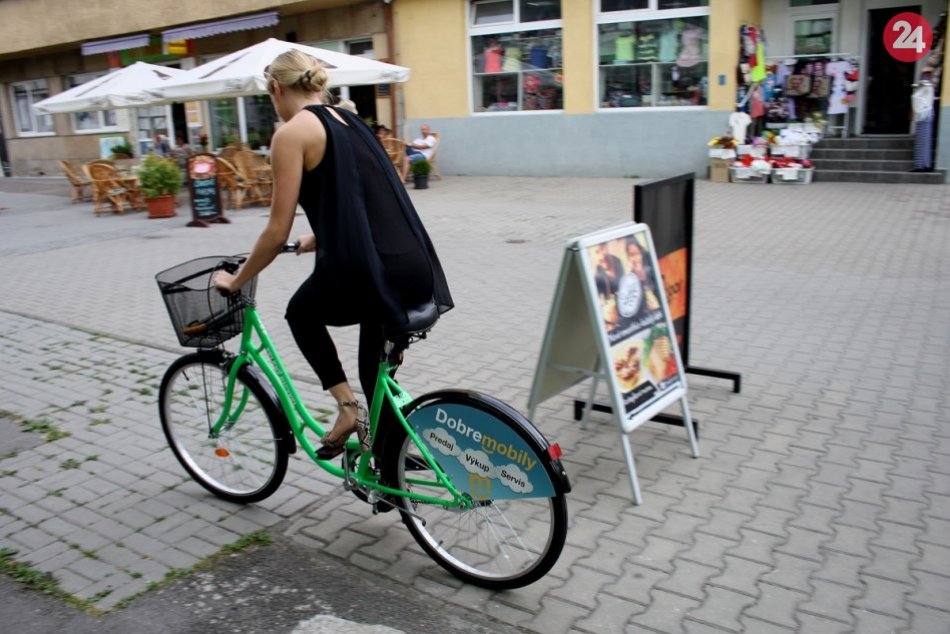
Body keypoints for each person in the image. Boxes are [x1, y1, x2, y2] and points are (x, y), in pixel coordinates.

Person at [212, 50, 453, 459]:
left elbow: (276, 232)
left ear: (275, 88)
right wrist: (321, 236)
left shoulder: (291, 134)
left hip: (371, 270)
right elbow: (364, 197)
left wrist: (236, 280)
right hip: (411, 263)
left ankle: (346, 409)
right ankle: (386, 467)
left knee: (301, 313)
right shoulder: (350, 121)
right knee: (375, 377)